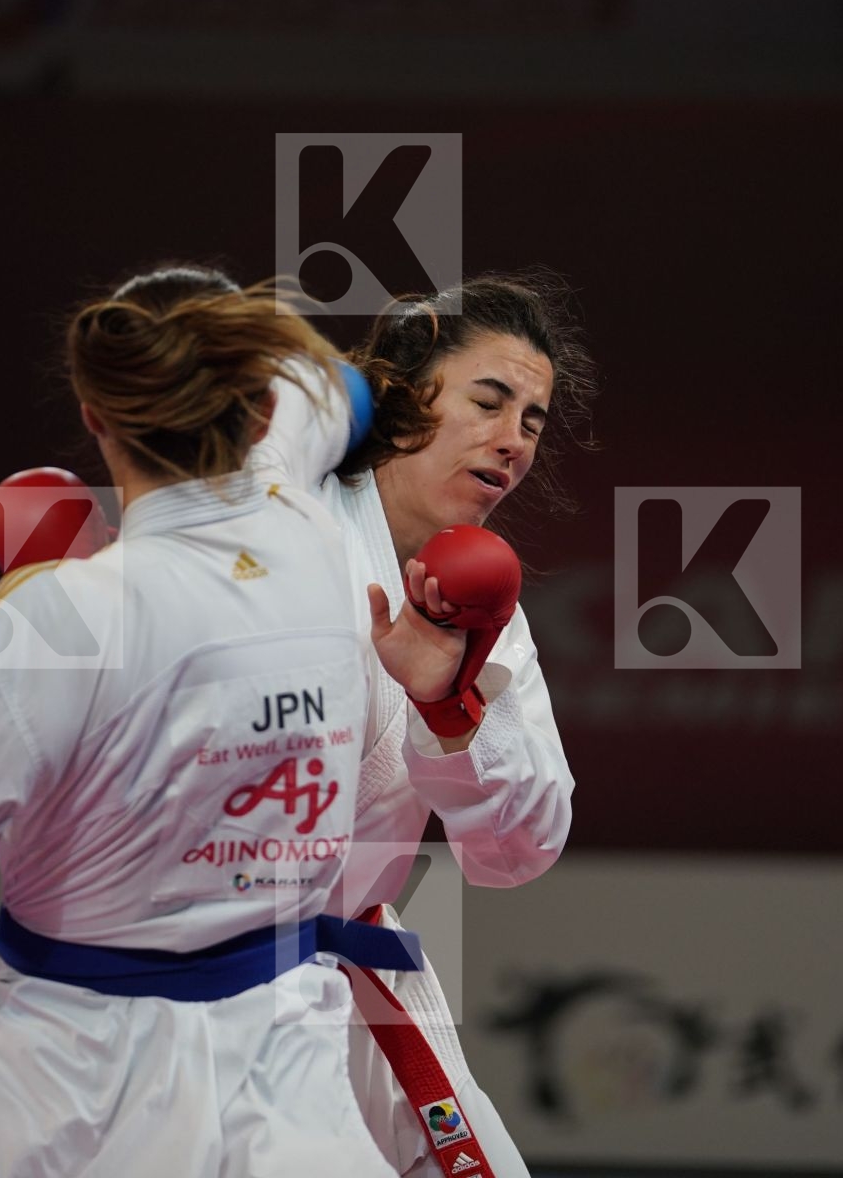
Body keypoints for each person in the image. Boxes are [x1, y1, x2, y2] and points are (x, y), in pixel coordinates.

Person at [0, 267, 408, 1177]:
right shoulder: (302, 522)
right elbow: (340, 389)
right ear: (260, 412)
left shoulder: (60, 619)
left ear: (95, 418)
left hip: (58, 1087)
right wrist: (314, 385)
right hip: (286, 1078)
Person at [255, 271, 598, 1178]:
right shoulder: (277, 532)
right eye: (490, 400)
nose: (514, 440)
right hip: (193, 981)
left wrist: (449, 707)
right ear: (408, 393)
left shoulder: (485, 612)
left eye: (531, 420)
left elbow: (520, 850)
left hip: (345, 981)